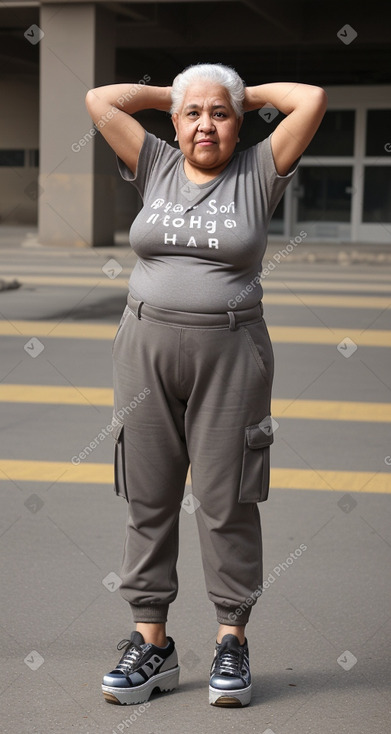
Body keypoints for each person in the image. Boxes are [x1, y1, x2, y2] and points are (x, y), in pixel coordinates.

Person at [85, 63, 327, 708]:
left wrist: (230, 90)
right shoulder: (155, 162)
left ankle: (230, 640)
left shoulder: (258, 169)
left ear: (240, 121)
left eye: (220, 114)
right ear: (173, 122)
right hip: (145, 347)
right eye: (192, 115)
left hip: (232, 351)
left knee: (228, 497)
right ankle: (152, 644)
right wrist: (181, 91)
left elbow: (311, 98)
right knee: (148, 492)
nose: (204, 126)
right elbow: (99, 100)